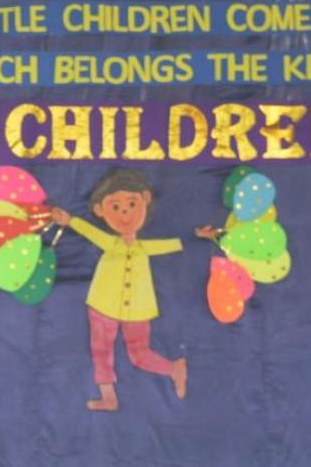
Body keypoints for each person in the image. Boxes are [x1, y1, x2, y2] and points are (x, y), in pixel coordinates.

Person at [48, 168, 220, 412]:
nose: (125, 213)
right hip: (103, 305)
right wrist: (69, 220)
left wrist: (199, 236)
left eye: (131, 204)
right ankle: (108, 397)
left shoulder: (144, 247)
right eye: (115, 207)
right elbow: (90, 231)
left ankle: (174, 369)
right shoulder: (110, 243)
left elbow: (174, 244)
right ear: (99, 210)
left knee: (139, 355)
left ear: (146, 200)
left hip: (138, 308)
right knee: (101, 351)